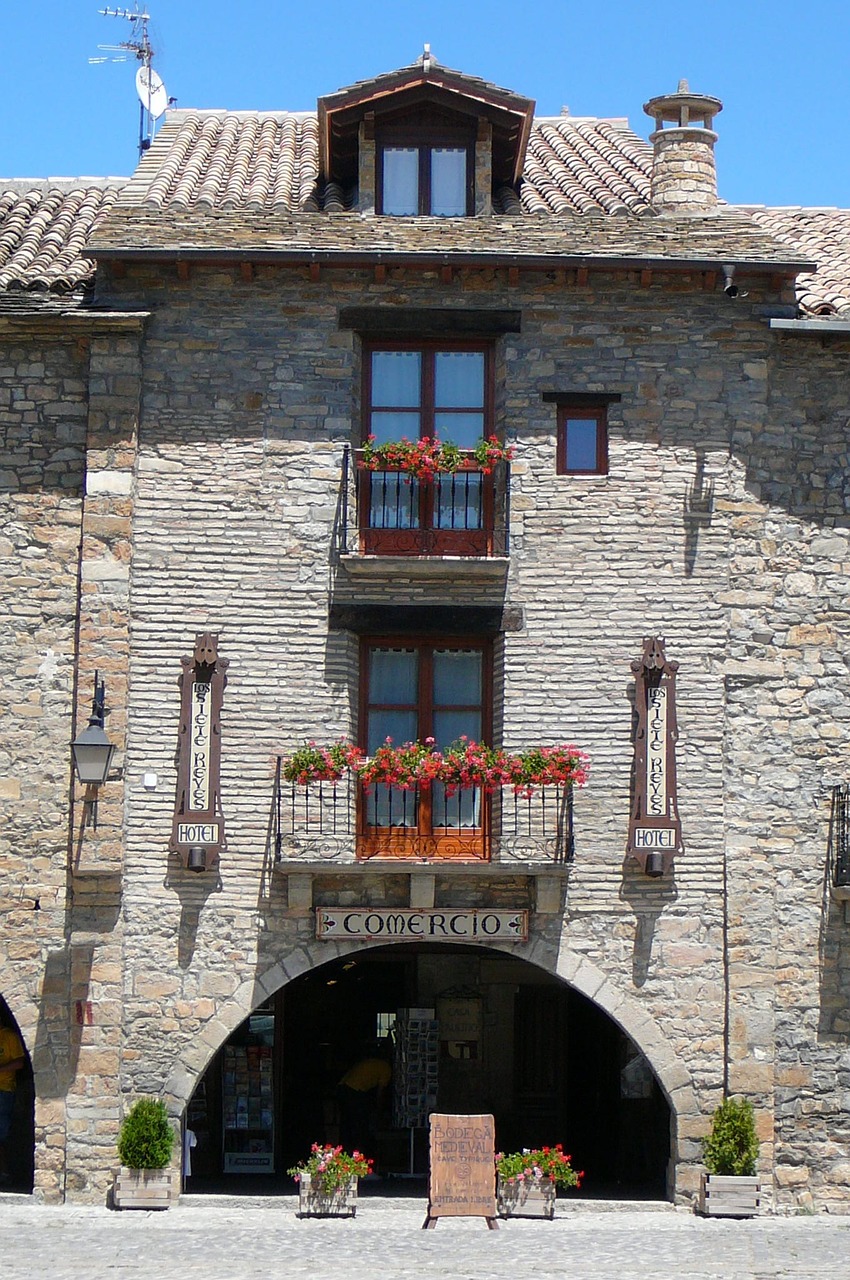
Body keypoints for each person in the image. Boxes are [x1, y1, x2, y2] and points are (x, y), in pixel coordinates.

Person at [336, 1043, 392, 1156]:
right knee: (358, 1122)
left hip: (343, 1086)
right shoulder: (386, 1068)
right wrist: (379, 1109)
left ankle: (344, 1150)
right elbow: (380, 1092)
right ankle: (358, 1151)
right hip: (354, 1090)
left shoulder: (372, 1062)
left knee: (346, 1122)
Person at [0, 1007, 25, 1185]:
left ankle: (4, 1172)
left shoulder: (9, 1037)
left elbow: (19, 1062)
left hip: (4, 1090)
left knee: (2, 1134)